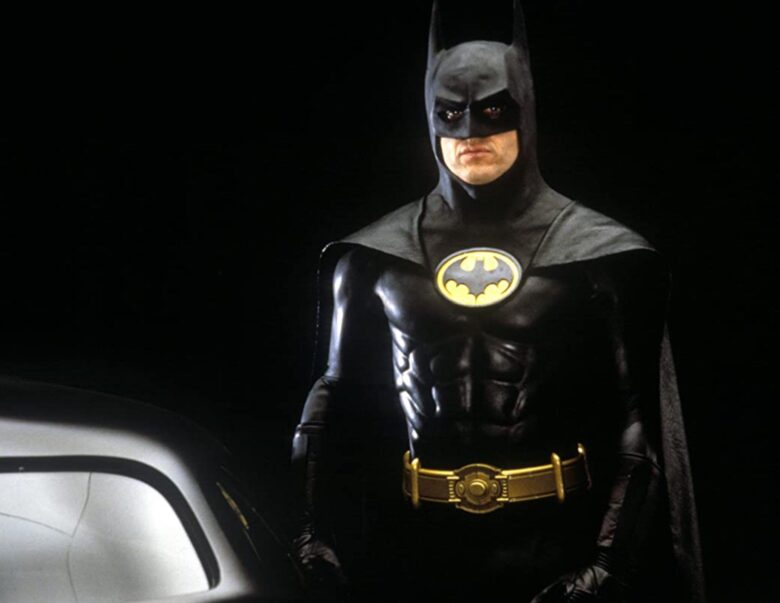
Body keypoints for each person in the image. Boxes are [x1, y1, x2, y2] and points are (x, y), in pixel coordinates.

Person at [290, 2, 704, 601]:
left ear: (526, 111)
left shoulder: (597, 253)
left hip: (556, 543)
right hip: (417, 549)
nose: (469, 134)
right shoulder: (376, 255)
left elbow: (639, 420)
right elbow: (333, 395)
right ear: (429, 116)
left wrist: (608, 562)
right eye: (450, 114)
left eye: (491, 111)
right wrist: (311, 531)